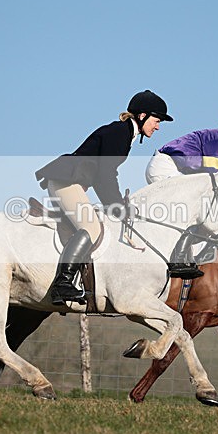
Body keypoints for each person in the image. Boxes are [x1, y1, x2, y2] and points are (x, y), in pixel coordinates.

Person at [35, 90, 173, 305]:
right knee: (92, 227)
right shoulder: (120, 132)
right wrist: (117, 206)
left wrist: (116, 204)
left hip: (70, 181)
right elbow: (105, 175)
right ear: (143, 116)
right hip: (66, 181)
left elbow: (105, 175)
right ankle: (62, 284)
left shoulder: (124, 133)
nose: (158, 127)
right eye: (157, 121)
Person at [144, 108, 218, 279]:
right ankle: (178, 260)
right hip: (165, 167)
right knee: (199, 208)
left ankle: (183, 257)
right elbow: (211, 183)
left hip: (169, 167)